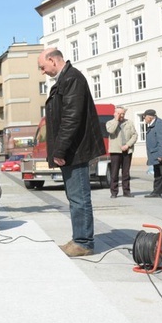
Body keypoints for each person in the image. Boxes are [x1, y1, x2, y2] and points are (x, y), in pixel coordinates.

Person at [37, 48, 104, 257]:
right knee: (74, 197)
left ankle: (83, 242)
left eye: (42, 67)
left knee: (79, 197)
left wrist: (60, 149)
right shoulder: (65, 79)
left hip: (75, 151)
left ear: (52, 60)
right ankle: (79, 238)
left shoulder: (72, 79)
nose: (42, 71)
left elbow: (71, 118)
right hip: (71, 150)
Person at [105, 106, 138, 198]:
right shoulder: (110, 123)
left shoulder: (129, 123)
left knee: (126, 172)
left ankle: (126, 191)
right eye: (120, 113)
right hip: (115, 151)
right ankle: (114, 192)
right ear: (115, 113)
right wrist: (116, 120)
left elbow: (134, 135)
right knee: (114, 172)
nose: (122, 115)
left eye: (123, 113)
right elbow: (111, 131)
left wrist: (128, 145)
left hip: (127, 150)